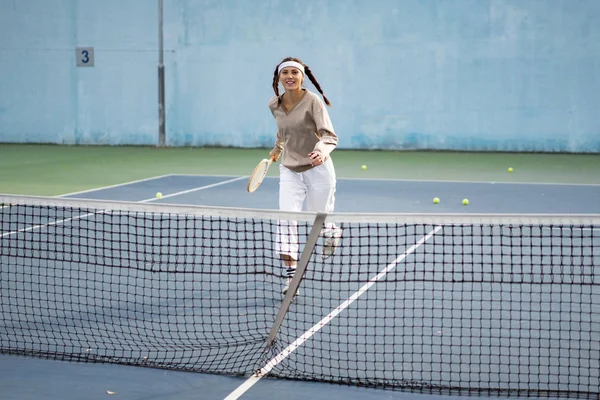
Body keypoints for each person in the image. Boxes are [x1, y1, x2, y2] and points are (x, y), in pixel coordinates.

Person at [267, 57, 343, 295]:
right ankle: (292, 277)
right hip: (290, 169)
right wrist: (277, 149)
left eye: (294, 73)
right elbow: (283, 131)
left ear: (302, 77)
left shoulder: (313, 102)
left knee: (318, 219)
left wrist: (320, 152)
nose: (289, 76)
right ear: (279, 78)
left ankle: (331, 231)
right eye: (285, 73)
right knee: (286, 219)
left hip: (318, 168)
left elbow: (329, 135)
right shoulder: (274, 104)